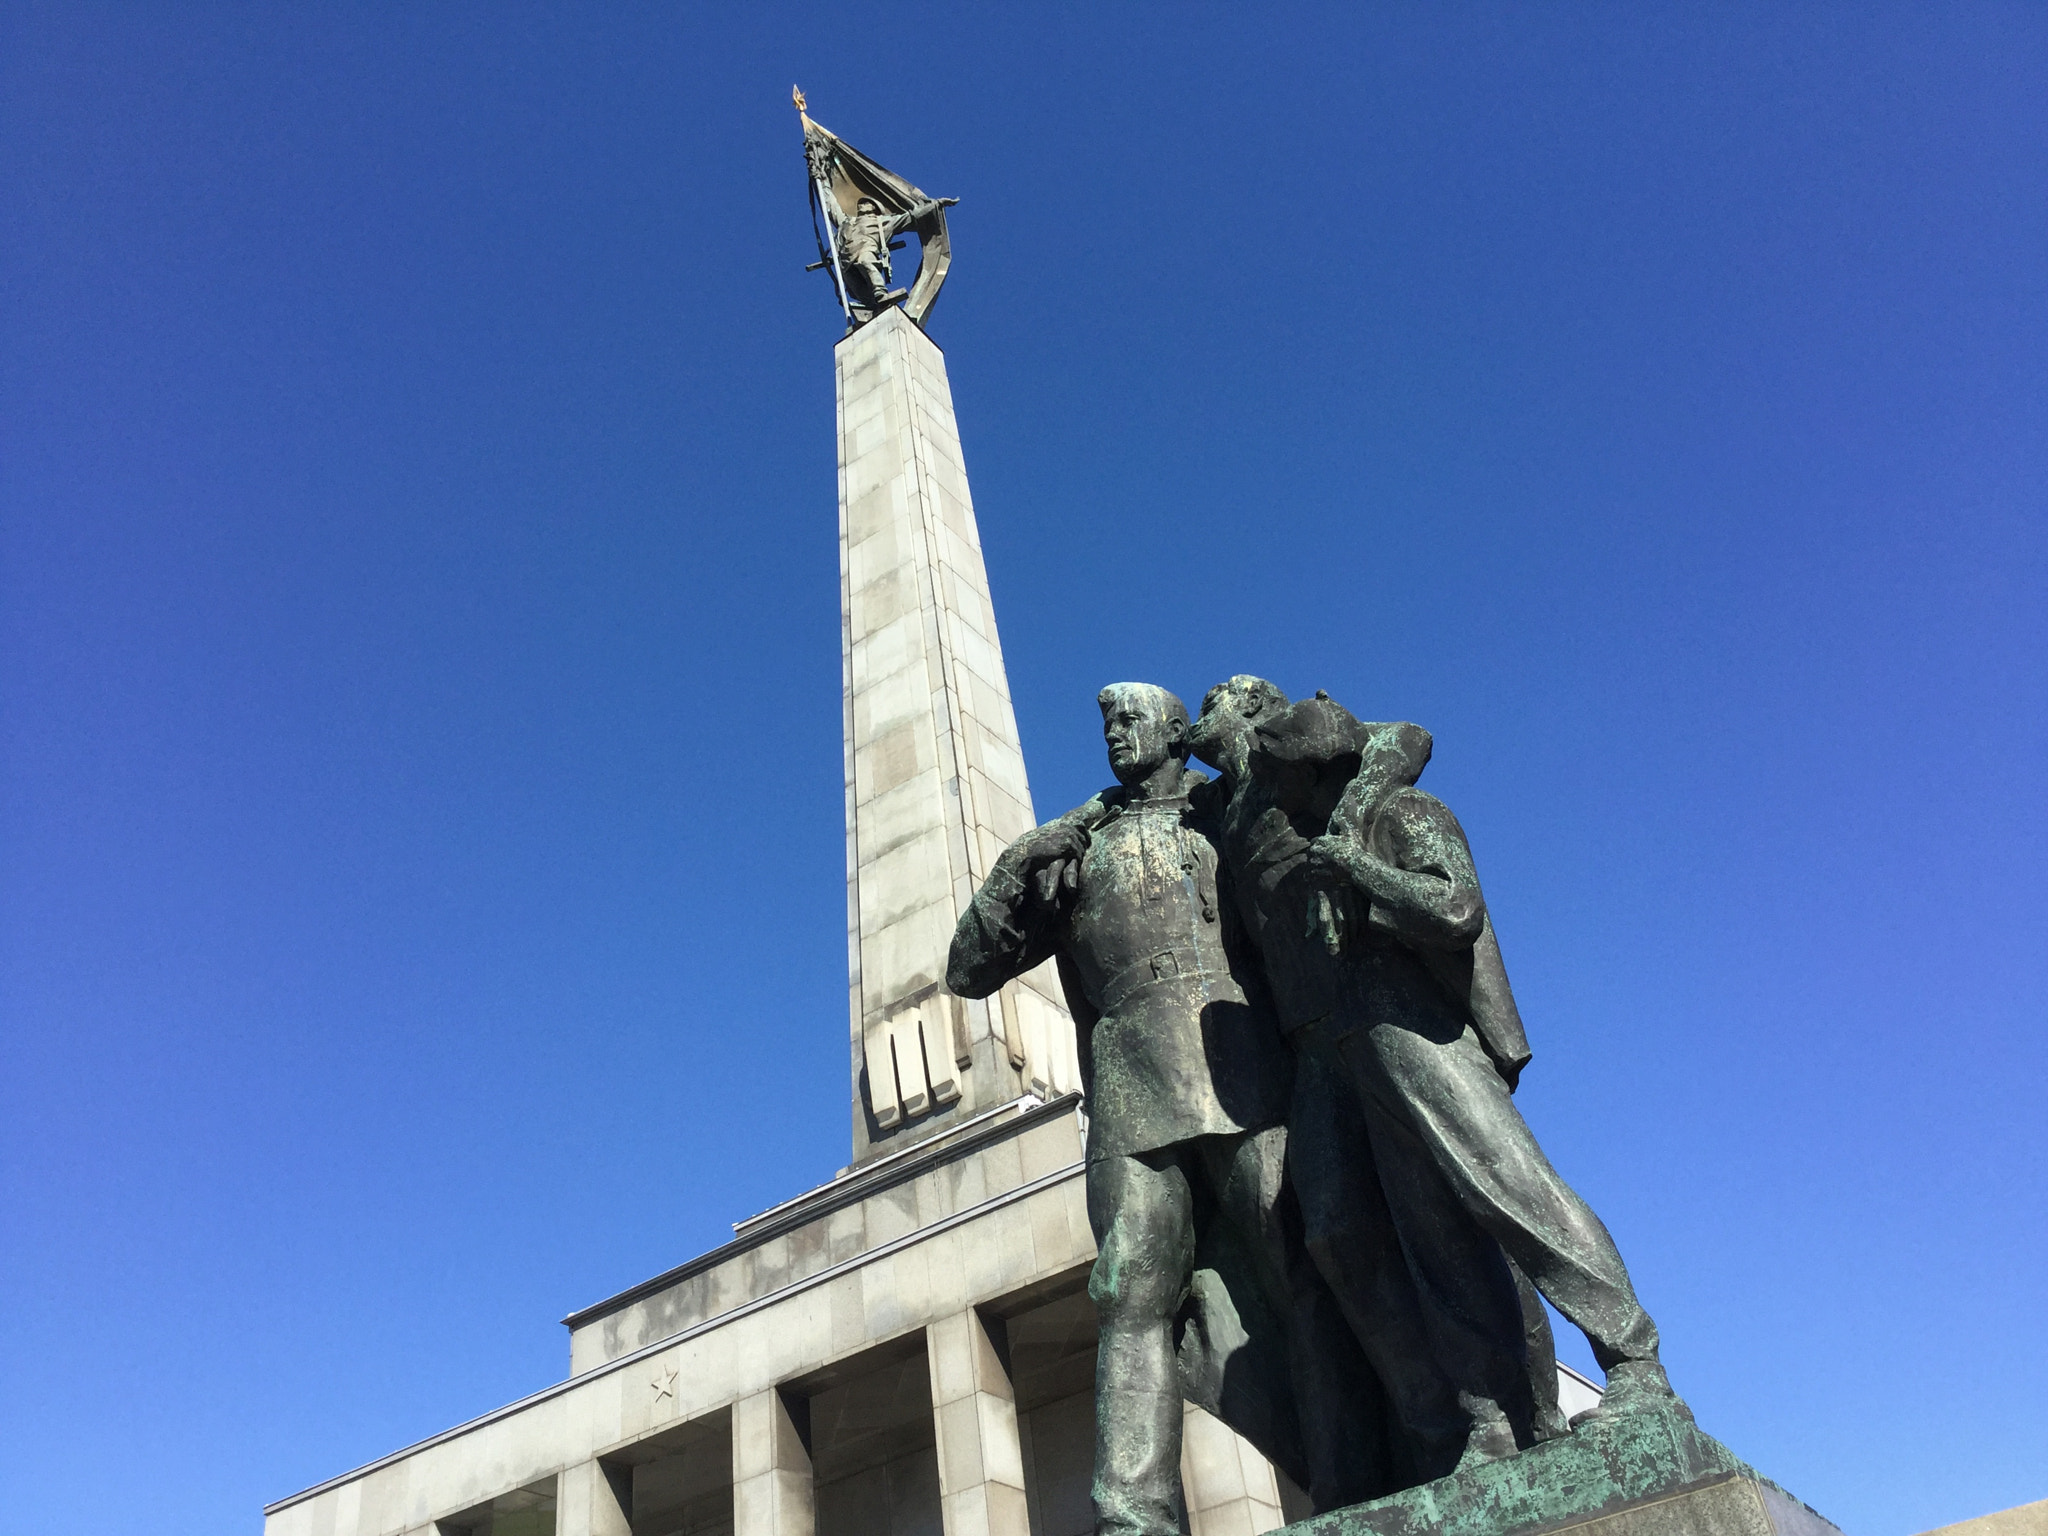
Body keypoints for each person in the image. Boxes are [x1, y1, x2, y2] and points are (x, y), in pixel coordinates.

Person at [947, 683, 1383, 1536]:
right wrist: (1016, 864)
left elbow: (1370, 753)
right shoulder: (1078, 842)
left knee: (1304, 1265)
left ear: (1178, 731)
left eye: (1129, 719)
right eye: (1102, 720)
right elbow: (968, 971)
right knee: (1128, 1290)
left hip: (1240, 1068)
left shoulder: (1228, 803)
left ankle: (1354, 1483)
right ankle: (1133, 1516)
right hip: (1131, 1088)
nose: (1113, 732)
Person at [1234, 689, 1684, 1462]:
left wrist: (1355, 868)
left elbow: (1455, 909)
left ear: (1312, 769)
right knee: (1432, 1239)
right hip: (1355, 1041)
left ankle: (1635, 1362)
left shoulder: (1405, 814)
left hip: (1419, 1025)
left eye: (1281, 775)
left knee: (1515, 1190)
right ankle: (1491, 1417)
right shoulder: (1321, 834)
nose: (1272, 791)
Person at [837, 193, 950, 311]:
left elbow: (911, 216)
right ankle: (871, 307)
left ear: (874, 208)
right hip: (846, 261)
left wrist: (937, 203)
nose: (861, 205)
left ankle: (880, 292)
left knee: (865, 262)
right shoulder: (847, 222)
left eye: (866, 203)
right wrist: (821, 179)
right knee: (856, 289)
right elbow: (831, 206)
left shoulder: (883, 222)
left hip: (866, 250)